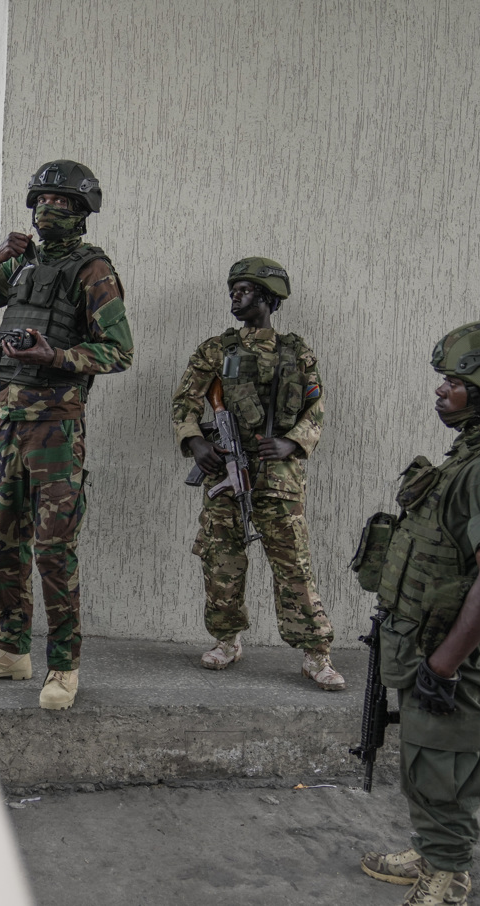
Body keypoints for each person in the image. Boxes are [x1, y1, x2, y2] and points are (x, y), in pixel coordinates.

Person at [361, 321, 480, 906]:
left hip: (450, 653)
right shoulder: (469, 456)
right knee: (424, 751)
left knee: (446, 758)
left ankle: (449, 873)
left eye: (455, 381)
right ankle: (430, 848)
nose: (442, 391)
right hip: (429, 641)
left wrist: (442, 667)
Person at [0, 160, 133, 711]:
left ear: (81, 214)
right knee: (5, 545)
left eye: (63, 203)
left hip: (56, 430)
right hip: (8, 425)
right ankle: (10, 651)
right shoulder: (22, 268)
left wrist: (54, 354)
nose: (49, 210)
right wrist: (0, 257)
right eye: (42, 201)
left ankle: (62, 665)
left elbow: (119, 351)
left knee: (54, 552)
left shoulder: (92, 269)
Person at [171, 257, 344, 691]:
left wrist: (293, 442)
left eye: (245, 290)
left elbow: (315, 409)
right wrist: (197, 443)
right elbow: (184, 401)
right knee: (220, 559)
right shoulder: (216, 349)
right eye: (233, 289)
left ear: (268, 298)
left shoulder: (296, 352)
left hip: (279, 473)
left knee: (293, 564)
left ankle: (316, 653)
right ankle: (226, 640)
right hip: (225, 467)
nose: (236, 295)